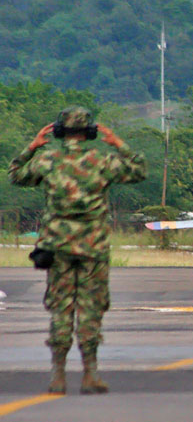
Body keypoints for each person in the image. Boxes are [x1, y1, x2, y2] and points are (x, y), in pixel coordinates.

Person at [8, 107, 146, 394]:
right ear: (90, 131)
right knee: (90, 308)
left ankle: (57, 375)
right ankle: (90, 374)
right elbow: (138, 170)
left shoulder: (47, 160)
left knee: (61, 307)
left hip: (57, 246)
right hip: (93, 247)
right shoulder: (102, 161)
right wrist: (118, 144)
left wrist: (31, 147)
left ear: (59, 131)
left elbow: (16, 175)